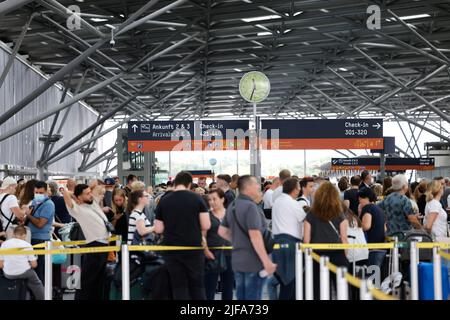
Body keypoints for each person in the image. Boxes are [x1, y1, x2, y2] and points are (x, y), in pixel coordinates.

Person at [218, 175, 277, 300]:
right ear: (248, 187)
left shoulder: (232, 205)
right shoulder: (250, 207)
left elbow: (222, 231)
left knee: (241, 297)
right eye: (256, 184)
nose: (258, 187)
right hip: (253, 262)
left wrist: (238, 241)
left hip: (237, 260)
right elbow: (255, 236)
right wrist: (266, 261)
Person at [154, 171, 210, 300]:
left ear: (175, 183)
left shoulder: (164, 200)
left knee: (179, 287)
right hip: (194, 249)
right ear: (189, 184)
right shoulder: (197, 198)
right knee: (197, 286)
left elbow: (158, 229)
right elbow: (206, 225)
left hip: (172, 250)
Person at [63, 184, 111, 300]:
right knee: (87, 281)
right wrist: (74, 196)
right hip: (95, 246)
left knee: (99, 281)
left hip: (104, 246)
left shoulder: (92, 203)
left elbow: (98, 184)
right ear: (79, 196)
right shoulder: (76, 208)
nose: (90, 195)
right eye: (87, 194)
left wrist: (83, 195)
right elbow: (64, 192)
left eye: (90, 192)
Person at [303, 181, 349, 300]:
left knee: (319, 290)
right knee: (341, 290)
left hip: (317, 256)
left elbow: (306, 240)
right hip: (338, 255)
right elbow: (344, 238)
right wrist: (345, 255)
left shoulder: (310, 215)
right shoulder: (340, 215)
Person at [272, 178, 306, 300]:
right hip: (291, 245)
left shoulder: (277, 202)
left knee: (284, 283)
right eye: (298, 187)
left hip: (277, 244)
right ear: (294, 189)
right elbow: (305, 220)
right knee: (290, 284)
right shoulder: (293, 204)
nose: (300, 190)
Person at [203, 189, 234, 300]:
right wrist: (206, 251)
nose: (212, 202)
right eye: (210, 199)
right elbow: (203, 235)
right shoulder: (207, 215)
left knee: (228, 287)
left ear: (222, 199)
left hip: (230, 254)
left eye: (215, 199)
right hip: (212, 254)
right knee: (209, 288)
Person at [0, 226, 44, 300]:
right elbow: (34, 265)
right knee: (36, 283)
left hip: (8, 274)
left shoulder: (4, 244)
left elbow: (1, 265)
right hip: (24, 272)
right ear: (25, 235)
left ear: (13, 234)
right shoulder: (27, 245)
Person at [25, 181, 55, 283]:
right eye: (36, 192)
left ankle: (42, 294)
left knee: (40, 270)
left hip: (41, 241)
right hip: (31, 239)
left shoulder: (49, 205)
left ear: (46, 191)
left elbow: (40, 224)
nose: (38, 195)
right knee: (33, 270)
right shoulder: (34, 202)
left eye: (41, 192)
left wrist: (28, 215)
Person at [378, 175, 422, 239]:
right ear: (404, 186)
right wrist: (421, 229)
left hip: (390, 234)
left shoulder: (387, 198)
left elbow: (379, 210)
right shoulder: (405, 200)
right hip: (403, 236)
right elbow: (412, 219)